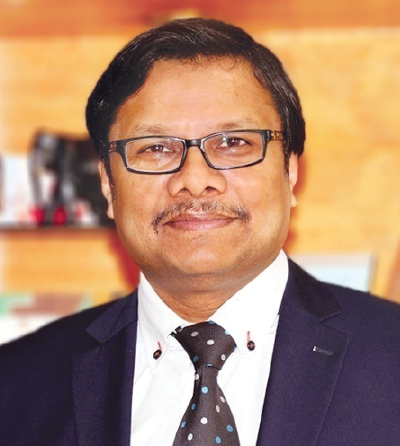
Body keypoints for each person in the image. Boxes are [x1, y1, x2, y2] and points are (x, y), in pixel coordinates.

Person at [0, 18, 399, 446]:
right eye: (156, 148)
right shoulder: (17, 386)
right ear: (108, 186)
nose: (194, 180)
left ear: (290, 171)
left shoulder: (389, 356)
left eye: (233, 143)